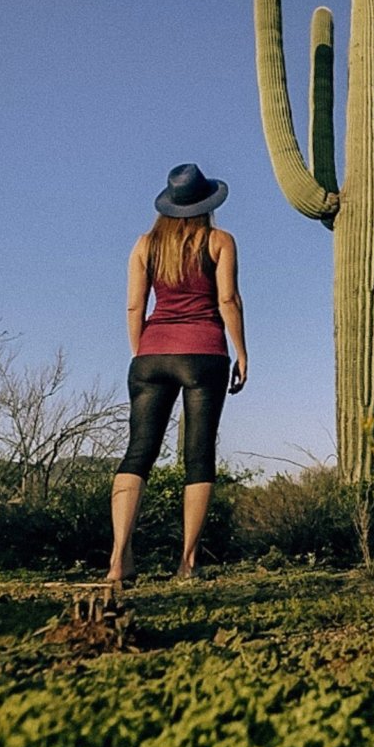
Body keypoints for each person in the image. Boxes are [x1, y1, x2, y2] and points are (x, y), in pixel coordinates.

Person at [107, 163, 247, 582]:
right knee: (198, 455)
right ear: (206, 204)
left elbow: (134, 306)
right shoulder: (219, 240)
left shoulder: (145, 245)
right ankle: (187, 563)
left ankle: (118, 560)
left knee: (138, 453)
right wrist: (242, 351)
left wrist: (142, 352)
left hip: (151, 355)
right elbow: (228, 300)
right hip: (204, 355)